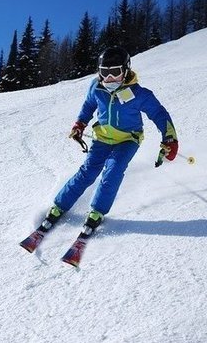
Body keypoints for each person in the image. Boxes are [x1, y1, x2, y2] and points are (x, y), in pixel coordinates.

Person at [36, 46, 179, 240]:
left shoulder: (140, 93)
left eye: (115, 72)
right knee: (87, 172)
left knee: (112, 171)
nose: (110, 78)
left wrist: (169, 138)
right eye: (105, 73)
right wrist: (80, 124)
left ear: (126, 70)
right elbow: (88, 105)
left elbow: (159, 114)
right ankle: (59, 206)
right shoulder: (96, 87)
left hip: (128, 139)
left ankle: (97, 211)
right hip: (102, 138)